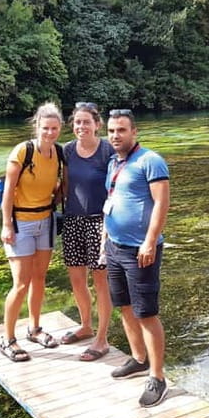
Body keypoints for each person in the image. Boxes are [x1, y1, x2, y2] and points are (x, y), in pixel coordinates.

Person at [102, 109, 170, 408]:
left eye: (121, 130)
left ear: (134, 132)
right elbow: (113, 201)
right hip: (115, 247)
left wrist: (149, 242)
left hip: (140, 250)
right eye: (112, 131)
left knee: (146, 313)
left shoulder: (151, 161)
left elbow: (161, 203)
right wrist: (105, 240)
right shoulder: (113, 162)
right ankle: (139, 359)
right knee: (124, 307)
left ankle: (158, 377)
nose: (116, 135)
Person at [0, 102, 65, 362]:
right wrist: (6, 225)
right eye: (45, 128)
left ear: (60, 129)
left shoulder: (58, 154)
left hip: (46, 221)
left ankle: (34, 329)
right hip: (21, 223)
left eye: (55, 128)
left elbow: (56, 189)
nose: (50, 133)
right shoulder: (22, 152)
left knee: (39, 278)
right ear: (37, 126)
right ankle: (8, 339)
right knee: (21, 283)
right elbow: (8, 192)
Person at [60, 102, 115, 361]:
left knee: (101, 281)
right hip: (73, 220)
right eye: (77, 122)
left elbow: (117, 186)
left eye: (86, 122)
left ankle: (102, 339)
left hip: (100, 222)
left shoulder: (107, 150)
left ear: (97, 125)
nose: (81, 127)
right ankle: (85, 326)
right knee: (77, 279)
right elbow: (65, 186)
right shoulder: (68, 150)